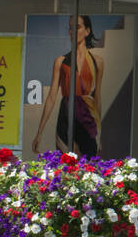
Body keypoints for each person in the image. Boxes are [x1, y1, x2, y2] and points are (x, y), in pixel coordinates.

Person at [33, 15, 104, 157]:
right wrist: (39, 132)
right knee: (65, 164)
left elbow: (97, 97)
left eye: (77, 27)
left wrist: (99, 133)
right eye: (70, 28)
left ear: (87, 31)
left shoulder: (98, 62)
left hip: (88, 115)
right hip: (67, 113)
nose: (73, 32)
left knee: (88, 166)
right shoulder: (61, 61)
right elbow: (52, 97)